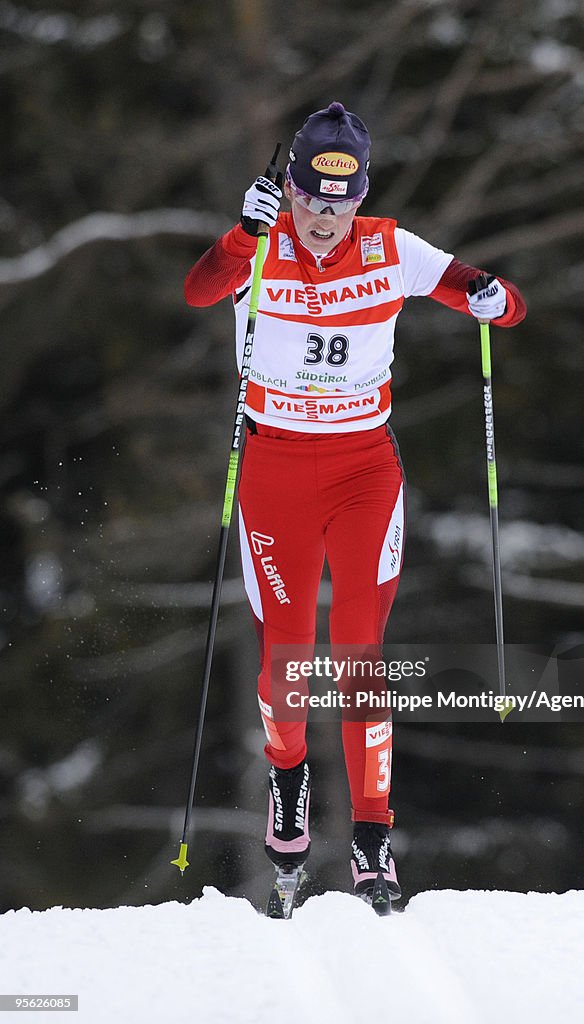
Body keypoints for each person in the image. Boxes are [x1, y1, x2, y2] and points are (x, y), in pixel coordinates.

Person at [184, 101, 526, 902]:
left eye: (340, 201)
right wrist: (242, 236)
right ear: (291, 189)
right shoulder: (259, 244)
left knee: (359, 652)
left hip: (364, 469)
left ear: (359, 195)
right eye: (310, 198)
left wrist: (489, 298)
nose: (324, 217)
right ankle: (289, 781)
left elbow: (495, 297)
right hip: (274, 469)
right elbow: (200, 292)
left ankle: (373, 833)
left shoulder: (390, 248)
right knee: (287, 655)